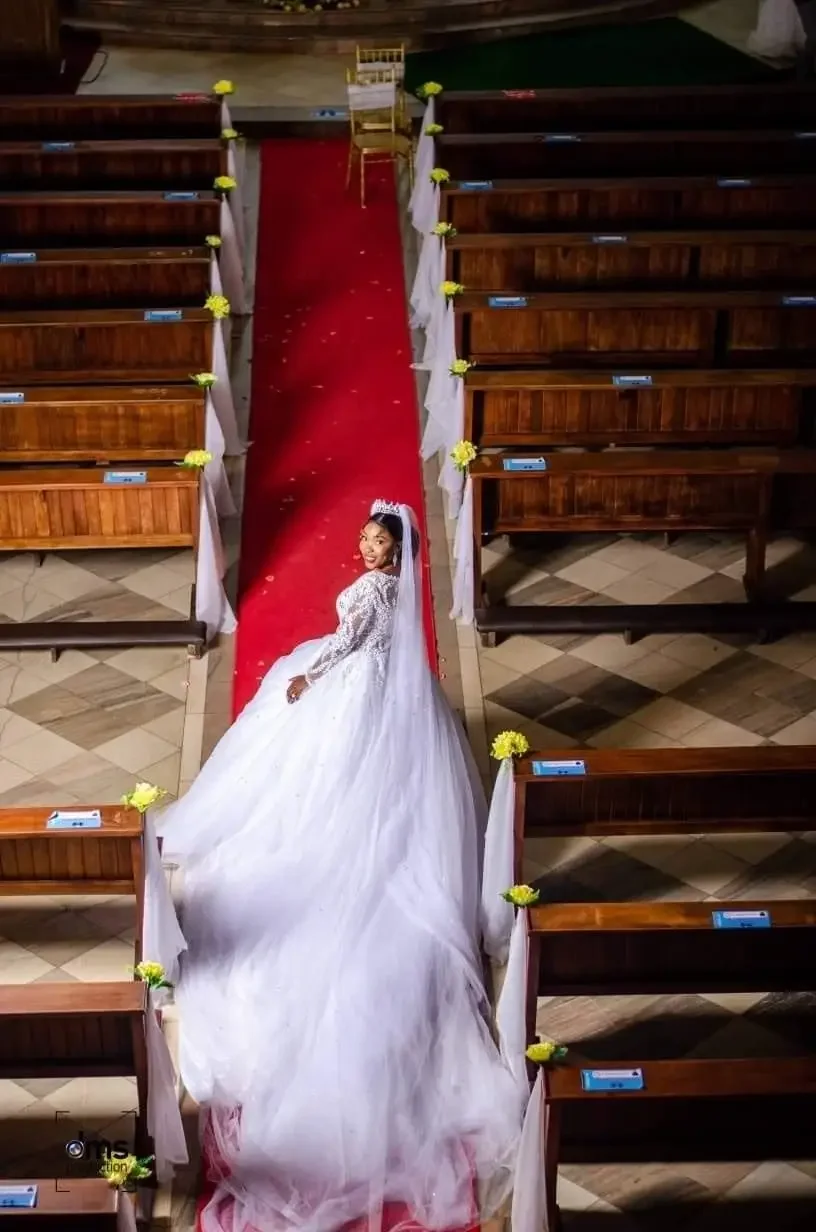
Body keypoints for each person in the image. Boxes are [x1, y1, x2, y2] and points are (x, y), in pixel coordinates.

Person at [157, 501, 524, 1232]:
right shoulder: (393, 593)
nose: (365, 548)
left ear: (398, 552)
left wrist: (306, 679)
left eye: (378, 541)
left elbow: (348, 645)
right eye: (363, 538)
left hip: (352, 690)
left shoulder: (374, 593)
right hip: (386, 693)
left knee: (314, 787)